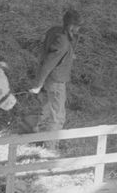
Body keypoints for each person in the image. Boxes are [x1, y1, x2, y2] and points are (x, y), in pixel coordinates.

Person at [29, 9, 82, 151]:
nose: (78, 30)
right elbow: (49, 63)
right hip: (56, 81)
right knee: (57, 116)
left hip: (49, 80)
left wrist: (70, 55)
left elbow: (48, 52)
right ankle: (49, 149)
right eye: (77, 26)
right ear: (71, 26)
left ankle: (37, 141)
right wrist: (38, 84)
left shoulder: (55, 31)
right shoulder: (63, 42)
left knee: (46, 110)